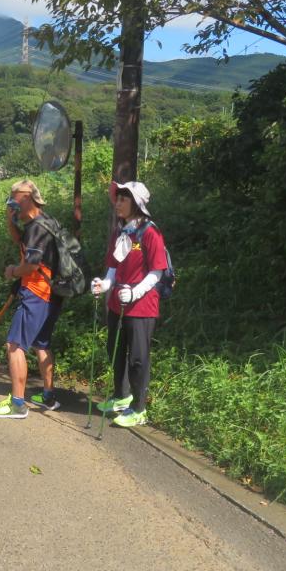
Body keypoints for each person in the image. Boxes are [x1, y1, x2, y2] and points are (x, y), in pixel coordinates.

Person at [91, 181, 168, 427]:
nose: (118, 202)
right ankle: (121, 396)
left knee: (138, 357)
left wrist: (134, 293)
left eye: (124, 199)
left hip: (142, 307)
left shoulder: (150, 233)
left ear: (136, 203)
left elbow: (157, 272)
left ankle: (139, 408)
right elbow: (114, 266)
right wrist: (105, 284)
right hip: (117, 304)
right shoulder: (120, 231)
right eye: (118, 198)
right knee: (115, 350)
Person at [0, 179, 62, 419]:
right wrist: (10, 221)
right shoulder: (43, 222)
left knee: (14, 345)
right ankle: (48, 396)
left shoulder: (38, 228)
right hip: (54, 292)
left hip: (37, 293)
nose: (11, 201)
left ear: (27, 197)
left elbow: (31, 264)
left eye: (14, 197)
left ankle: (17, 404)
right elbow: (22, 242)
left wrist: (12, 272)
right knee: (42, 343)